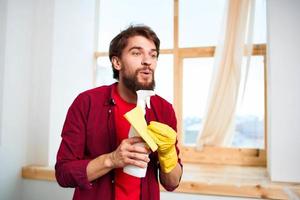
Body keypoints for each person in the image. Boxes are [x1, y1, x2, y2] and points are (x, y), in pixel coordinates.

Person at [55, 25, 183, 200]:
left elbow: (172, 183)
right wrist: (112, 160)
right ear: (117, 62)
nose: (148, 61)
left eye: (153, 55)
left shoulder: (164, 109)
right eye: (137, 53)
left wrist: (168, 154)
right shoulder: (87, 102)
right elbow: (63, 173)